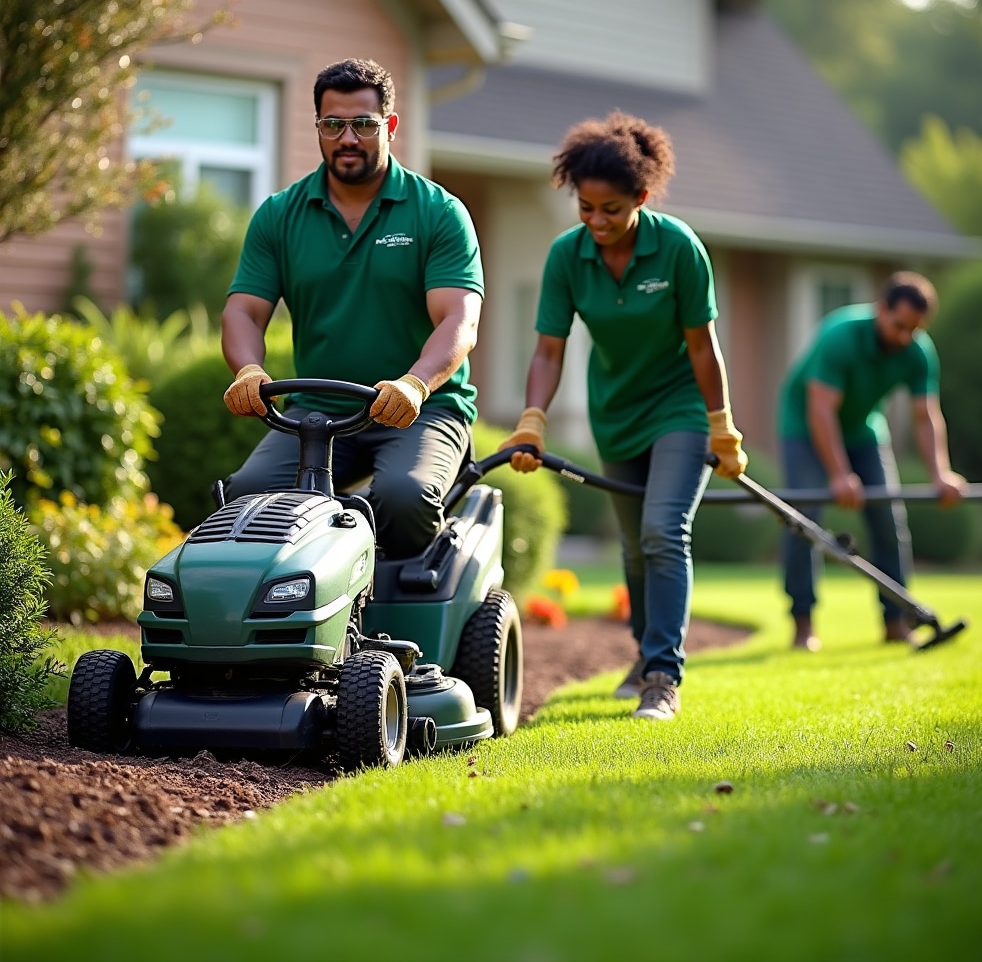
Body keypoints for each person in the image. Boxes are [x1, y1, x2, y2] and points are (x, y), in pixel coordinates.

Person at [500, 110, 747, 722]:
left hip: (681, 408)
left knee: (665, 531)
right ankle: (644, 653)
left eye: (610, 209)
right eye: (585, 207)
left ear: (640, 196)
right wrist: (533, 417)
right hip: (616, 413)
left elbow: (701, 346)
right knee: (635, 549)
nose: (597, 222)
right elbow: (549, 349)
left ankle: (663, 674)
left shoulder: (678, 248)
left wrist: (721, 423)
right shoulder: (568, 257)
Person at [220, 58, 484, 560]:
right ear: (317, 127)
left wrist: (416, 383)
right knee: (248, 499)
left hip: (423, 410)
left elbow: (459, 319)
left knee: (402, 500)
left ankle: (394, 617)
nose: (347, 138)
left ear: (389, 126)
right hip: (318, 410)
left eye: (363, 124)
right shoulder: (280, 215)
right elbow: (244, 312)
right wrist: (249, 369)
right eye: (332, 124)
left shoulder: (438, 213)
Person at [777, 272, 966, 650]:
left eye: (913, 330)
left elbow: (925, 415)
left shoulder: (917, 351)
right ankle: (803, 624)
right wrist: (839, 473)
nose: (903, 337)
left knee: (888, 517)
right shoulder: (840, 336)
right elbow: (820, 410)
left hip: (863, 430)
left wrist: (940, 473)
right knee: (805, 517)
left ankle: (896, 621)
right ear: (881, 309)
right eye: (898, 326)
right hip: (804, 426)